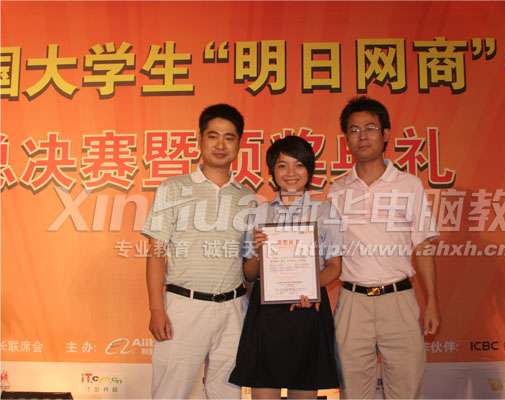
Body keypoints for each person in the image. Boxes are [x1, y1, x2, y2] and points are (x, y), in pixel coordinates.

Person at [141, 104, 257, 399]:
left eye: (229, 137)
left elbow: (248, 263)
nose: (221, 145)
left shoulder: (248, 197)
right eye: (213, 136)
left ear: (239, 143)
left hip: (234, 309)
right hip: (184, 307)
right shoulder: (173, 188)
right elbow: (156, 252)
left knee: (227, 393)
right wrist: (156, 309)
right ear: (200, 139)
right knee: (170, 392)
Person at [329, 96, 441, 399]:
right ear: (346, 139)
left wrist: (432, 301)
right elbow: (330, 254)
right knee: (353, 393)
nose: (362, 136)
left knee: (406, 391)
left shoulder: (409, 185)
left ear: (386, 133)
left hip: (398, 300)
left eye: (370, 128)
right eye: (354, 130)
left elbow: (422, 247)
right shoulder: (337, 190)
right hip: (352, 304)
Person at [229, 135, 342, 399]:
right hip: (267, 313)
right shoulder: (258, 213)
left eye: (299, 165)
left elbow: (334, 267)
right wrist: (259, 253)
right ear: (272, 172)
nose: (291, 173)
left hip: (308, 309)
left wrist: (310, 288)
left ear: (309, 169)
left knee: (304, 391)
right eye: (282, 165)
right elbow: (249, 274)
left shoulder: (325, 211)